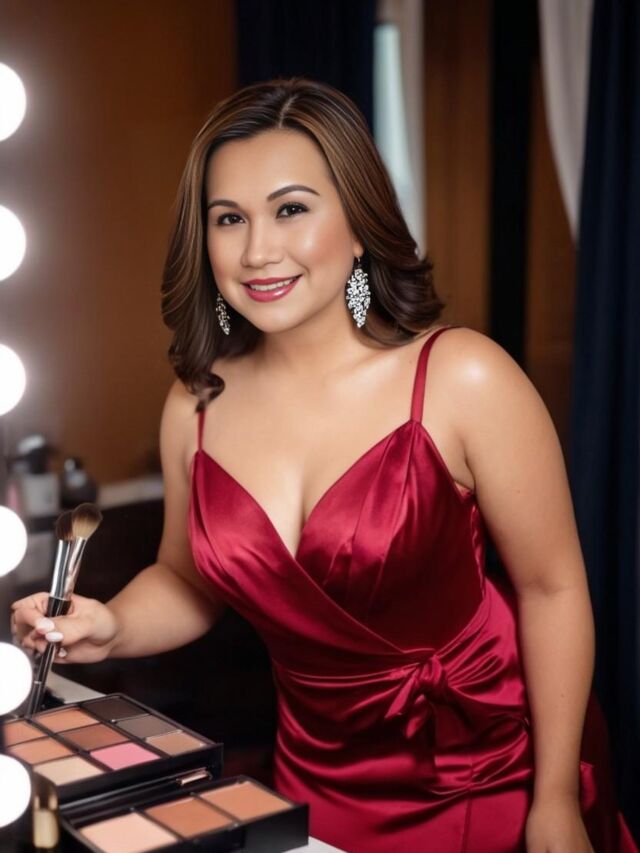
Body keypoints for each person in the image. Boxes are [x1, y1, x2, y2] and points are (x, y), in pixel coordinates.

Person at [11, 78, 637, 853]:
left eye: (291, 209)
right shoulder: (195, 406)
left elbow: (553, 588)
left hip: (490, 770)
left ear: (360, 223)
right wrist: (110, 626)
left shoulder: (463, 378)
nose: (257, 251)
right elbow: (187, 579)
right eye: (229, 218)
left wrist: (554, 798)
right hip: (317, 780)